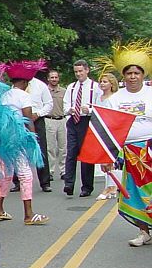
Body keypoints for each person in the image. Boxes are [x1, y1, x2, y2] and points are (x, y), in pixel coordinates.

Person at [99, 43, 152, 247]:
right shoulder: (115, 99)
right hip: (128, 152)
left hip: (150, 149)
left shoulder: (150, 94)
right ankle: (143, 231)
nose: (132, 76)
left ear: (143, 75)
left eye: (136, 73)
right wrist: (107, 158)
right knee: (135, 192)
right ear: (123, 76)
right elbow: (108, 130)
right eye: (129, 73)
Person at [0, 64, 48, 225]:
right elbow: (28, 119)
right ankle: (28, 214)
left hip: (4, 139)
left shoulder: (4, 95)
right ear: (24, 82)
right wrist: (33, 137)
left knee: (7, 174)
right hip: (18, 138)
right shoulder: (24, 96)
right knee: (26, 174)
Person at [63, 60, 102, 197]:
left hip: (87, 121)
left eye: (80, 71)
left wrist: (90, 109)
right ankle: (69, 183)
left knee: (86, 154)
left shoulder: (95, 87)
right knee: (71, 152)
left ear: (87, 70)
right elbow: (66, 104)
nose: (78, 74)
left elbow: (99, 106)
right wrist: (70, 109)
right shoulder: (71, 87)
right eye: (76, 72)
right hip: (74, 120)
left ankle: (86, 186)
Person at [95, 73, 121, 201]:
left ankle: (112, 187)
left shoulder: (115, 98)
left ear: (112, 84)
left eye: (105, 81)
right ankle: (111, 186)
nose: (102, 84)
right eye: (101, 82)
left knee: (112, 159)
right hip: (101, 129)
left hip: (112, 130)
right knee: (104, 160)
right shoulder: (98, 97)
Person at [26, 74, 53, 191]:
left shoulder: (40, 85)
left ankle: (45, 182)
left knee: (41, 149)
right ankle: (18, 181)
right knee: (20, 150)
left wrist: (39, 114)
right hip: (22, 120)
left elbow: (49, 104)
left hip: (37, 119)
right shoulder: (16, 86)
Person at [45, 70, 67, 180]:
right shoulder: (44, 91)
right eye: (52, 77)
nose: (54, 79)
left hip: (62, 120)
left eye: (56, 77)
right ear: (48, 79)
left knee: (63, 147)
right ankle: (50, 171)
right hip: (49, 120)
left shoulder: (64, 91)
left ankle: (63, 171)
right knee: (50, 148)